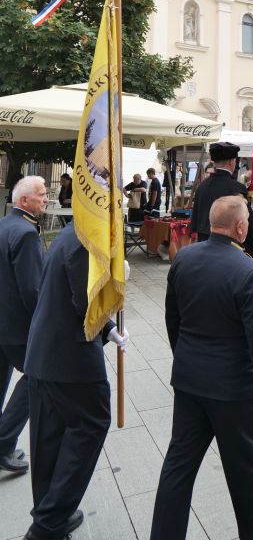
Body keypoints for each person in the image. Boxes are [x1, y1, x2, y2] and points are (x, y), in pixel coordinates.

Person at [150, 196, 253, 540]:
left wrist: (185, 358)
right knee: (244, 465)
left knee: (178, 465)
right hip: (233, 390)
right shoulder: (247, 270)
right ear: (240, 227)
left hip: (189, 381)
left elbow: (173, 318)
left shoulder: (185, 257)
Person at [22, 222, 129, 540]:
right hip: (71, 360)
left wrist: (110, 329)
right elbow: (87, 302)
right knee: (90, 425)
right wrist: (116, 292)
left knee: (49, 439)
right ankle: (47, 525)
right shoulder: (88, 240)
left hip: (46, 354)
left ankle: (50, 514)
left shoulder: (73, 232)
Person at [0, 176, 47, 475]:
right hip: (17, 327)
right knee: (37, 380)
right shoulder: (27, 233)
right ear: (24, 200)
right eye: (41, 194)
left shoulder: (5, 224)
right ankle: (4, 442)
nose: (46, 199)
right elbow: (33, 290)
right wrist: (45, 325)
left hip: (3, 323)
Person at [190, 142, 253, 257]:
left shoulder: (201, 187)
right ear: (231, 162)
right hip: (228, 248)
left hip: (204, 247)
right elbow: (248, 222)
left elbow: (195, 221)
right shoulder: (237, 188)